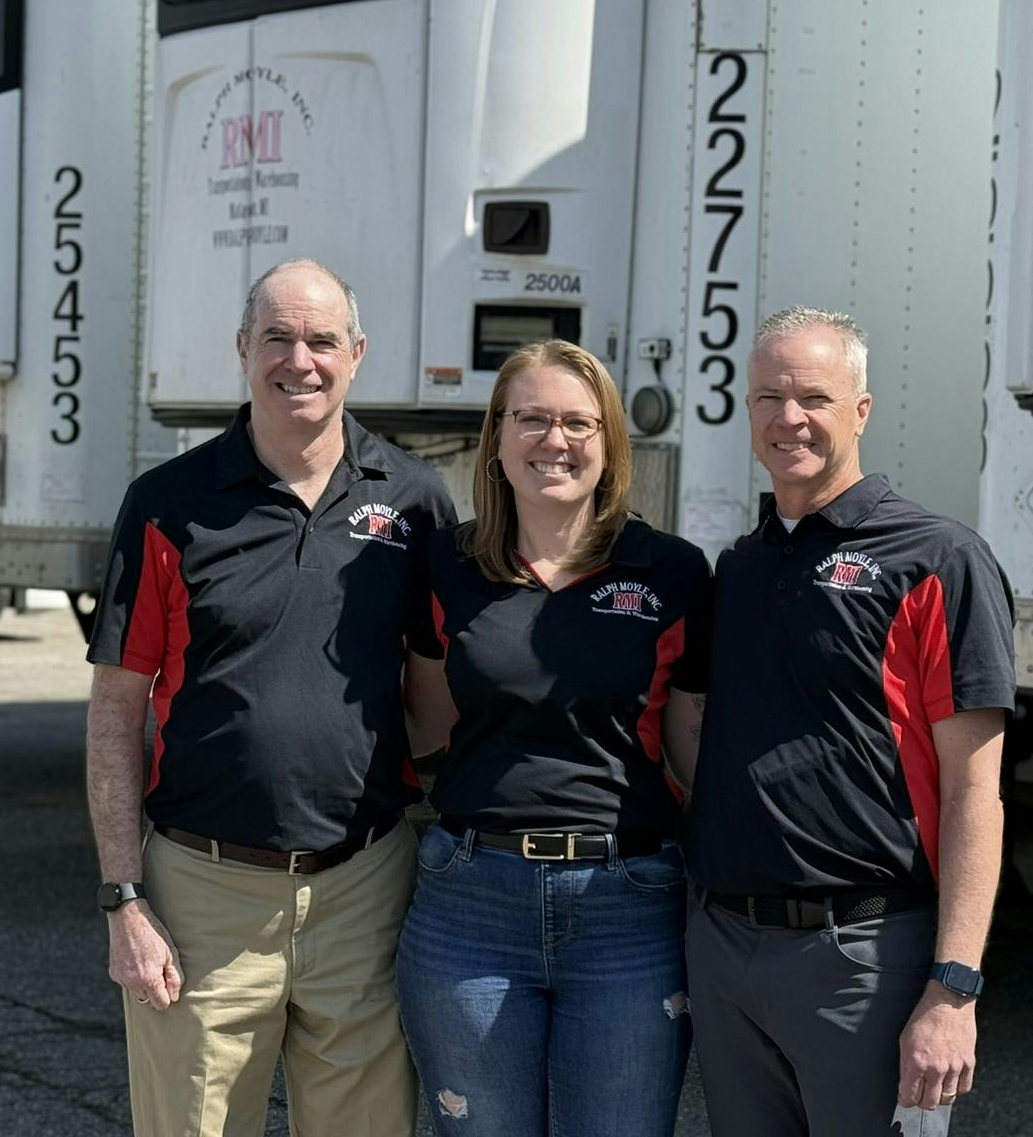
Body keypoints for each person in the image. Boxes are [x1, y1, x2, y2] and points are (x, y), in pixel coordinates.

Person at [83, 258, 455, 1136]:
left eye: (322, 340)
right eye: (278, 338)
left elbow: (436, 698)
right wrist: (121, 900)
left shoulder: (414, 502)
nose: (301, 360)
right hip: (201, 898)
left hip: (364, 886)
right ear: (243, 348)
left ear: (357, 354)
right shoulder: (167, 505)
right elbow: (113, 717)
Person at [680, 307, 1015, 1135]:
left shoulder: (936, 559)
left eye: (813, 397)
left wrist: (954, 987)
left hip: (862, 956)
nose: (788, 418)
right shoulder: (740, 566)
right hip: (726, 950)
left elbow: (978, 790)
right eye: (768, 397)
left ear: (859, 410)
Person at [396, 339, 710, 1136]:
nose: (555, 440)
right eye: (531, 419)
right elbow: (427, 723)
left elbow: (690, 748)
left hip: (628, 906)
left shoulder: (673, 572)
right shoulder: (446, 564)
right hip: (470, 903)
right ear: (497, 438)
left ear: (609, 445)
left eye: (578, 422)